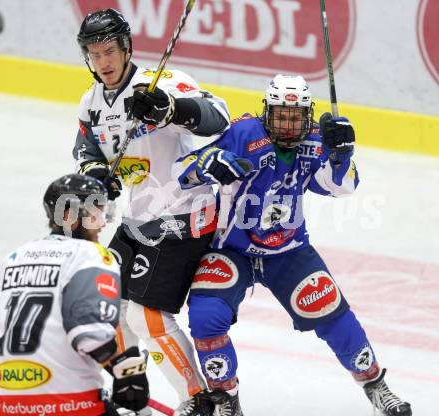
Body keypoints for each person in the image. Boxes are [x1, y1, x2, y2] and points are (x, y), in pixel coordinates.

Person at [175, 74, 412, 416]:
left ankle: (376, 385)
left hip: (287, 250)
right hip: (232, 249)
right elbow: (182, 169)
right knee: (206, 316)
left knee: (332, 313)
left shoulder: (317, 139)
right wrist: (206, 167)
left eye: (296, 116)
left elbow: (339, 187)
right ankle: (225, 398)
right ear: (267, 113)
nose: (288, 125)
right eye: (281, 116)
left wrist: (341, 156)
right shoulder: (243, 134)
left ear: (308, 115)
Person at [73, 8, 230, 416]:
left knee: (146, 316)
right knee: (111, 309)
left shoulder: (161, 83)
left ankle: (200, 401)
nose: (102, 62)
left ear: (126, 48)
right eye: (93, 54)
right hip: (139, 220)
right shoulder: (91, 102)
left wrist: (171, 110)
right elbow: (87, 149)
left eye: (109, 51)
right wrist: (97, 176)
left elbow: (219, 118)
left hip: (184, 215)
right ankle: (132, 390)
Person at [0, 174, 148, 416]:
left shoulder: (14, 258)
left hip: (8, 403)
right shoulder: (91, 254)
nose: (103, 223)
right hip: (72, 402)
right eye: (96, 213)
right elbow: (89, 332)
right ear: (69, 215)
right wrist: (124, 371)